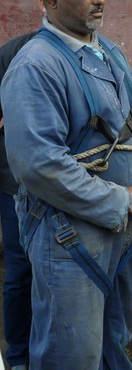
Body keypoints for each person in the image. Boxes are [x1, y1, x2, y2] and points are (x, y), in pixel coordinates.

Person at [0, 0, 132, 368]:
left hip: (119, 237)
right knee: (70, 354)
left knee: (112, 347)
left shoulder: (109, 52)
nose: (100, 0)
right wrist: (124, 199)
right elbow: (39, 165)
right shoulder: (36, 66)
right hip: (68, 240)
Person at [0, 31, 36, 370]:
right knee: (20, 272)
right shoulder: (12, 54)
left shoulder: (93, 52)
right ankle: (19, 355)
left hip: (67, 188)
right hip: (13, 186)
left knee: (59, 274)